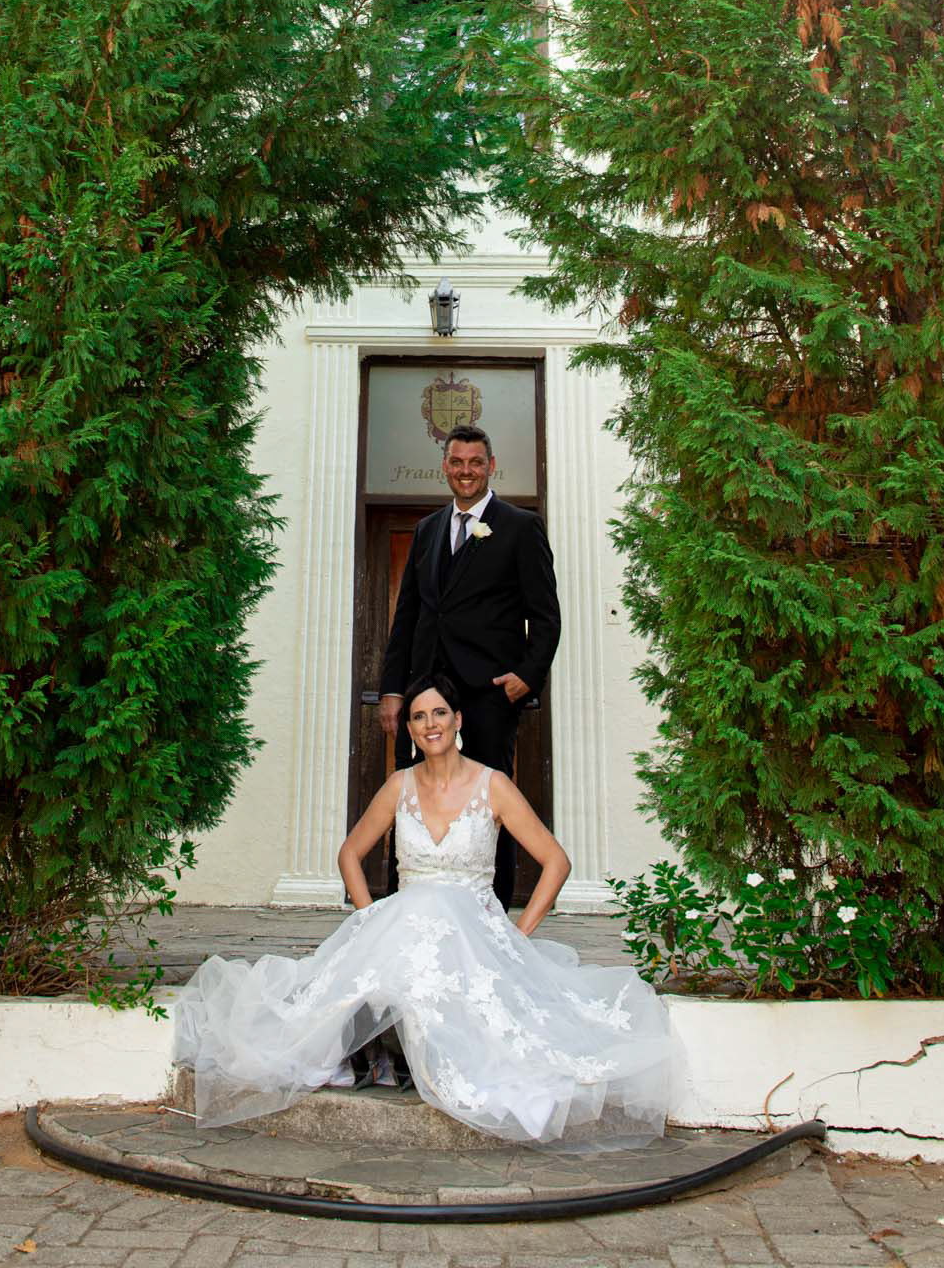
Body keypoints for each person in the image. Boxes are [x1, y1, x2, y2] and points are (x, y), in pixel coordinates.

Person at [174, 674, 672, 1148]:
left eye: (439, 713)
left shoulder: (493, 785)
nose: (430, 724)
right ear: (410, 729)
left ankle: (393, 1051)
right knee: (403, 926)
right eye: (418, 716)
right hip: (404, 923)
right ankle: (380, 1046)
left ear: (458, 720)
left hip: (472, 932)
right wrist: (368, 918)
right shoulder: (399, 786)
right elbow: (350, 854)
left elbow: (556, 862)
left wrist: (517, 935)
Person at [379, 423, 561, 907]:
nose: (466, 471)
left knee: (488, 807)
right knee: (412, 802)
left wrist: (526, 676)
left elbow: (546, 616)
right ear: (445, 466)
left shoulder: (520, 527)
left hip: (488, 695)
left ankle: (491, 915)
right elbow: (408, 616)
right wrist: (394, 690)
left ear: (491, 466)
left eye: (476, 463)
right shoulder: (427, 530)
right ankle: (402, 912)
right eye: (457, 462)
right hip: (424, 695)